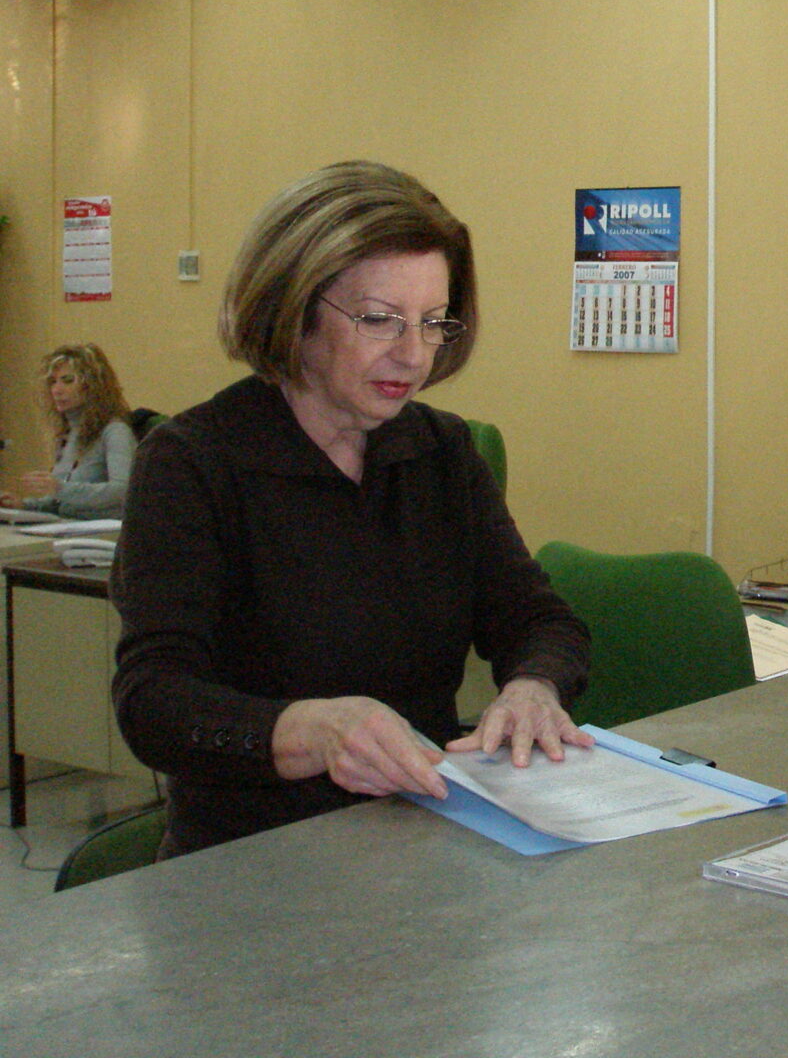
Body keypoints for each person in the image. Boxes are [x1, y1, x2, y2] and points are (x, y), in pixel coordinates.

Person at [112, 161, 593, 858]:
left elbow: (538, 619)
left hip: (424, 843)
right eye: (378, 320)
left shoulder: (443, 452)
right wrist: (310, 732)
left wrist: (534, 687)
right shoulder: (193, 462)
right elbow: (152, 702)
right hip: (251, 860)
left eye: (432, 323)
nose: (413, 354)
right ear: (294, 310)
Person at [1, 343, 136, 519]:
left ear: (92, 385)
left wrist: (59, 488)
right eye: (53, 382)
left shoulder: (115, 432)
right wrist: (22, 505)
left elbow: (122, 491)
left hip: (102, 529)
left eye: (68, 381)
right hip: (68, 525)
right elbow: (61, 503)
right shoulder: (67, 434)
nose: (56, 390)